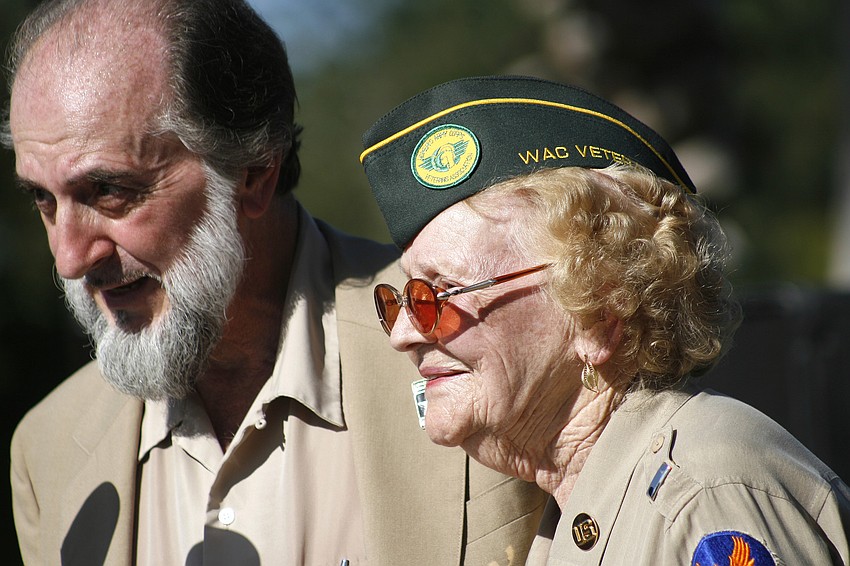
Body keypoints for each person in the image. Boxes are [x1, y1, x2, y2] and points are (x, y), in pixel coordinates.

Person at [2, 2, 548, 564]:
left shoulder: (481, 341)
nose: (69, 258)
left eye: (109, 191)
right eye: (43, 199)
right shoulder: (48, 453)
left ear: (254, 172)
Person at [360, 75, 850, 565]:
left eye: (438, 295)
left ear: (598, 312)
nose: (403, 334)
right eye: (400, 300)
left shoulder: (702, 500)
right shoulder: (570, 507)